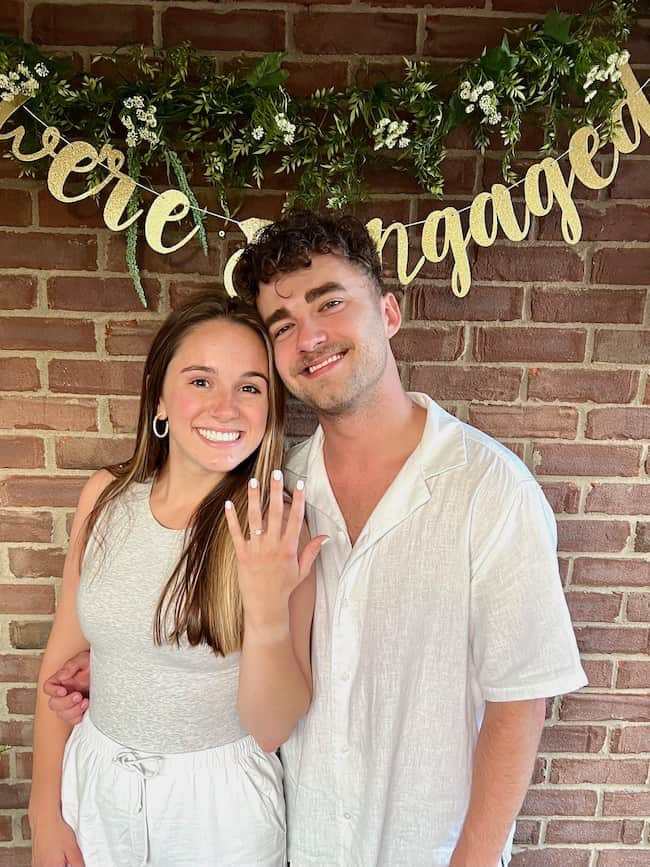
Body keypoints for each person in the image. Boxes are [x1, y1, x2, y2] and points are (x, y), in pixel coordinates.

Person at [46, 211, 587, 867]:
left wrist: (473, 857)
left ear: (388, 312)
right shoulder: (282, 489)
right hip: (304, 839)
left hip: (427, 844)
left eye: (331, 303)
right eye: (283, 325)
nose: (310, 336)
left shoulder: (489, 489)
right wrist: (126, 671)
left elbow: (520, 697)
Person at [30, 292, 326, 867]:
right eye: (200, 381)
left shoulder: (275, 524)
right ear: (159, 398)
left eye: (249, 386)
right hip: (95, 786)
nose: (226, 408)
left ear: (269, 409)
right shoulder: (105, 498)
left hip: (217, 814)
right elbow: (60, 666)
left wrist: (266, 608)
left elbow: (272, 728)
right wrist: (45, 814)